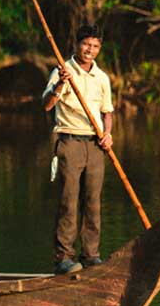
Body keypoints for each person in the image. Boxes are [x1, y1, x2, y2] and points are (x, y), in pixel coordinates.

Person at [42, 26, 114, 274]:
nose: (89, 50)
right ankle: (64, 258)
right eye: (86, 45)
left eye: (94, 46)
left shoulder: (102, 77)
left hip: (95, 145)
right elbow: (47, 105)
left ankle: (91, 255)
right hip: (70, 142)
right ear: (77, 44)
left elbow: (107, 112)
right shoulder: (63, 70)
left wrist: (107, 134)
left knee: (93, 201)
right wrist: (60, 84)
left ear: (99, 49)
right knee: (68, 200)